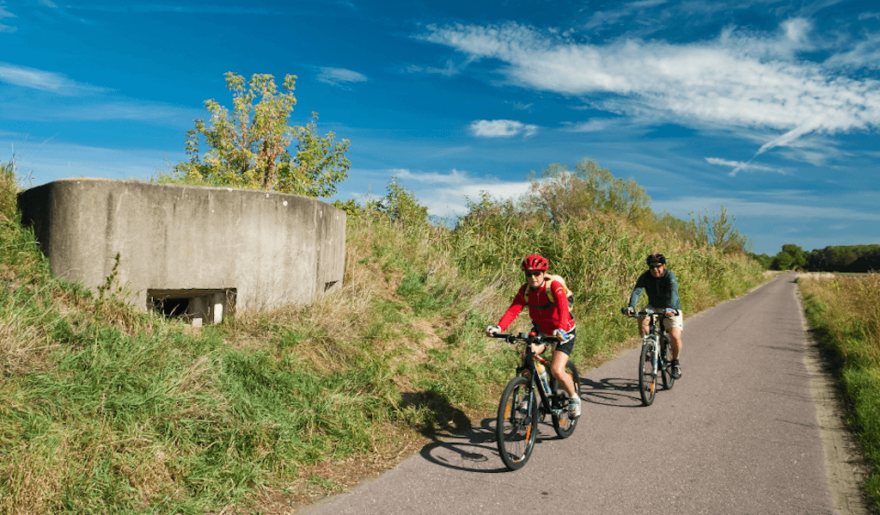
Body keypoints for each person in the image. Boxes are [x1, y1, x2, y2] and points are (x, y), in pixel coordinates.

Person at [485, 254, 580, 417]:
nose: (533, 277)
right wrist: (499, 327)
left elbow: (564, 309)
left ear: (544, 273)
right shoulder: (526, 290)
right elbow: (514, 309)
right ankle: (532, 393)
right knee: (527, 358)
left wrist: (562, 329)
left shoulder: (554, 286)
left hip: (564, 331)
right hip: (542, 330)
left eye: (537, 273)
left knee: (557, 370)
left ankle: (574, 398)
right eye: (529, 274)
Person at [624, 253, 684, 379]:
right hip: (654, 306)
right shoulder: (645, 277)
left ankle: (675, 363)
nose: (654, 269)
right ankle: (649, 347)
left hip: (671, 308)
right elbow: (637, 291)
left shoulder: (669, 276)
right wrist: (631, 307)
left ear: (664, 266)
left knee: (674, 336)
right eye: (651, 267)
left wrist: (671, 308)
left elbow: (674, 292)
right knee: (641, 317)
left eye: (658, 266)